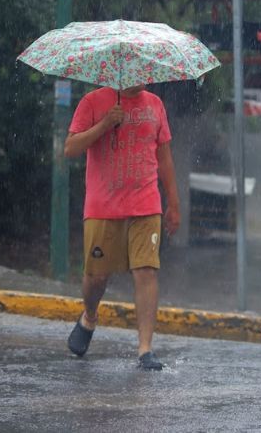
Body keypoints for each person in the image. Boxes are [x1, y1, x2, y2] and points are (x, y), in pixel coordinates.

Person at [64, 84, 180, 371]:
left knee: (146, 271)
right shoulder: (93, 101)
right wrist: (105, 124)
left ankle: (145, 349)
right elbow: (70, 148)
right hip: (103, 207)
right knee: (97, 277)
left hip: (146, 204)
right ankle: (89, 315)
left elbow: (164, 158)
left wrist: (174, 203)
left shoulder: (155, 105)